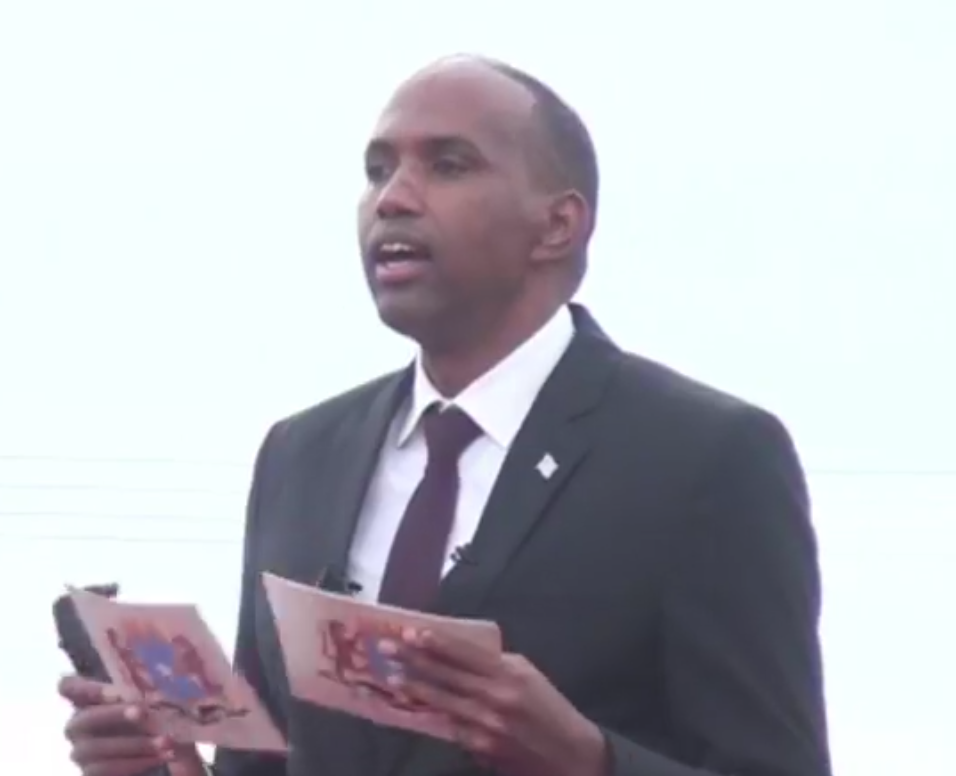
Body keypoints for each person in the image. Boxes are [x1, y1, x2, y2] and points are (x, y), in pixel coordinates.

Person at [58, 54, 832, 776]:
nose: (392, 198)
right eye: (377, 170)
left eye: (449, 165)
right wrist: (167, 766)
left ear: (557, 225)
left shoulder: (705, 457)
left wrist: (589, 760)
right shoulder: (301, 454)